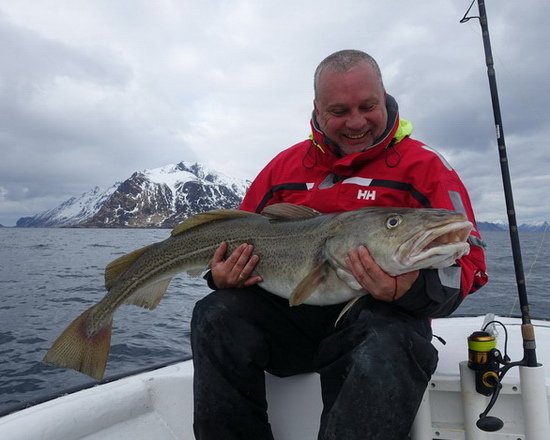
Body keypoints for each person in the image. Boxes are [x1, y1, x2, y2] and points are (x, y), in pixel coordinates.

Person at [191, 49, 488, 440]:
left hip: (377, 326)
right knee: (215, 314)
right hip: (292, 326)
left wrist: (411, 289)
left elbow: (471, 264)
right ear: (316, 108)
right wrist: (221, 275)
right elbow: (233, 235)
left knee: (388, 342)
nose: (356, 122)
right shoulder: (284, 167)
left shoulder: (427, 168)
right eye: (339, 111)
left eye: (368, 106)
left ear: (384, 97)